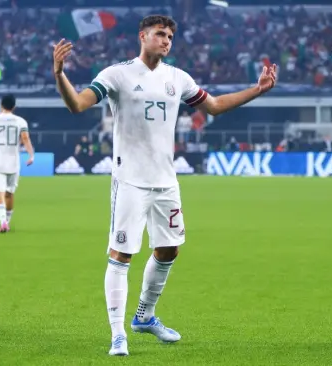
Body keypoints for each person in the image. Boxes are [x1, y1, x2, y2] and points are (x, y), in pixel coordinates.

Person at [53, 15, 277, 356]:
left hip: (166, 182)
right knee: (121, 255)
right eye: (160, 34)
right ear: (143, 36)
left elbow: (214, 106)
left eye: (170, 35)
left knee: (169, 250)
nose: (166, 40)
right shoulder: (117, 74)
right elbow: (78, 104)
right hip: (130, 181)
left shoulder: (178, 78)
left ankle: (145, 315)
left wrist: (257, 90)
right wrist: (59, 75)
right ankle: (118, 336)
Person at [0, 94, 34, 233]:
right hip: (13, 162)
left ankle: (2, 222)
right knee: (9, 193)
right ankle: (7, 221)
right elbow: (25, 138)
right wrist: (31, 155)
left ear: (1, 105)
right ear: (14, 106)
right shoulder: (21, 121)